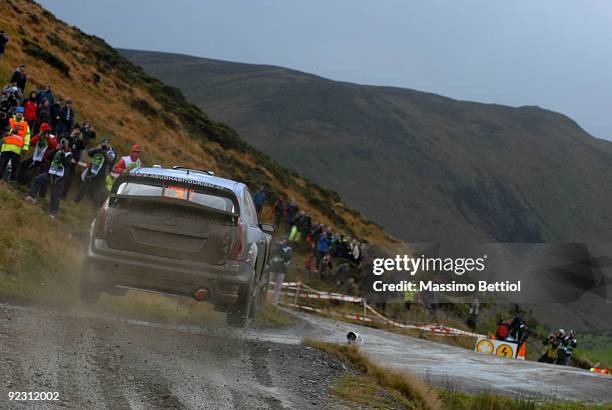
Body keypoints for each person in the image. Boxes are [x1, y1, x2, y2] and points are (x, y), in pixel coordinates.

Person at [25, 138, 73, 218]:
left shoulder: (69, 154)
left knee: (55, 195)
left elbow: (66, 163)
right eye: (62, 143)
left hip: (59, 178)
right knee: (37, 179)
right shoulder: (57, 151)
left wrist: (62, 153)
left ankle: (53, 213)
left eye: (64, 144)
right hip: (50, 173)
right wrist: (56, 150)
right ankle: (32, 196)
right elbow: (48, 157)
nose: (63, 145)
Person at [74, 138, 114, 208]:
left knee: (97, 191)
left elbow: (110, 160)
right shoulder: (98, 148)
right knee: (84, 187)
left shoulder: (111, 152)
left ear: (109, 145)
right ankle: (76, 201)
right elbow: (89, 153)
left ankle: (95, 207)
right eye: (103, 144)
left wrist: (104, 152)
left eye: (106, 144)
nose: (104, 145)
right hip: (91, 171)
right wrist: (97, 149)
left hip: (101, 174)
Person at [0, 106, 30, 181]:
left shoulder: (26, 125)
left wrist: (25, 149)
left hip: (17, 150)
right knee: (2, 165)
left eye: (21, 113)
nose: (19, 114)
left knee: (15, 168)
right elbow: (4, 130)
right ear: (15, 113)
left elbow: (27, 138)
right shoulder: (9, 120)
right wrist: (11, 131)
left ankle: (12, 183)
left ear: (23, 114)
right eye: (18, 112)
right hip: (7, 147)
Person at [269, 237, 293, 305]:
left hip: (281, 269)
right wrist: (278, 247)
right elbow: (272, 253)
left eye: (285, 240)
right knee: (267, 282)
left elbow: (287, 257)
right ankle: (262, 296)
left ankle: (275, 302)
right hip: (273, 267)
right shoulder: (277, 246)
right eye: (283, 240)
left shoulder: (288, 249)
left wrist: (281, 251)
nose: (283, 241)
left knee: (278, 287)